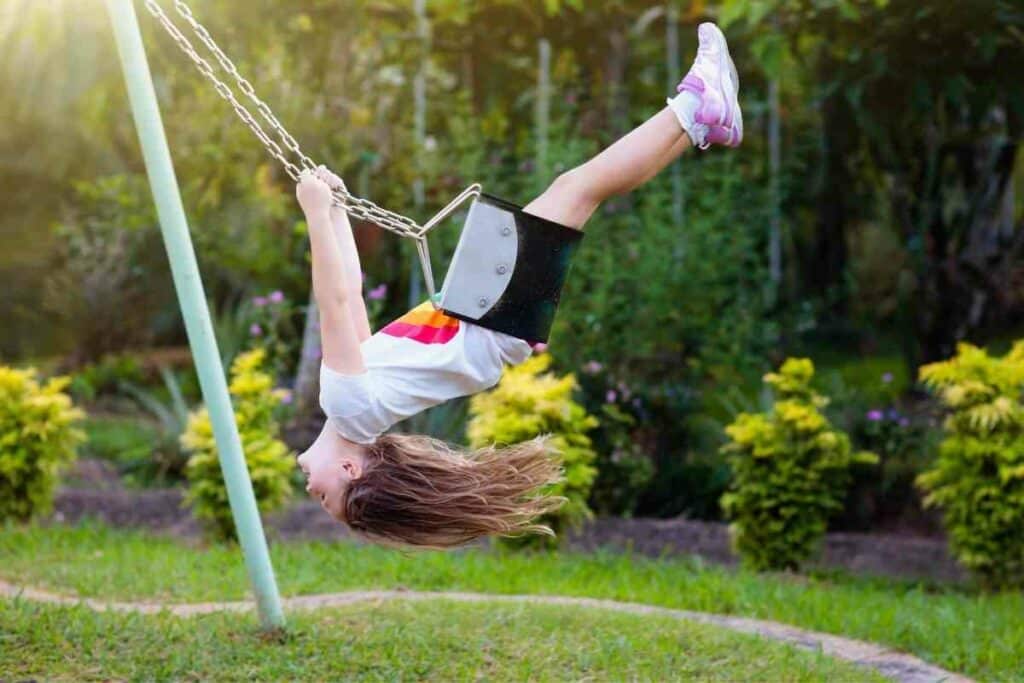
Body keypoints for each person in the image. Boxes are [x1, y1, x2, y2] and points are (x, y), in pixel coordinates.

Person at [296, 22, 742, 548]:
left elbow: (350, 292)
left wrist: (335, 213)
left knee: (581, 193)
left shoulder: (360, 406)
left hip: (489, 318)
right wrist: (313, 212)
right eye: (325, 497)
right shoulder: (348, 406)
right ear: (350, 468)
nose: (310, 490)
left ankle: (702, 122)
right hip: (485, 312)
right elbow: (336, 297)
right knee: (577, 189)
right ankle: (695, 107)